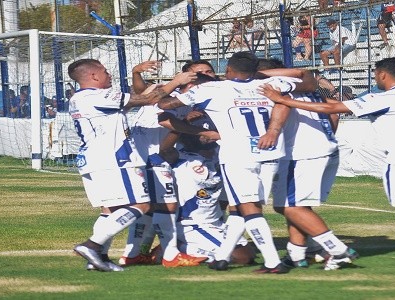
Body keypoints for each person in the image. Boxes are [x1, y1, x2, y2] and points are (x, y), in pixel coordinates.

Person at [261, 57, 395, 272]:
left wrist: (285, 101)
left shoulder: (386, 98)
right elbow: (335, 106)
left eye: (375, 74)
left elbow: (333, 109)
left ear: (382, 75)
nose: (374, 78)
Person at [157, 51, 317, 274]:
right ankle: (222, 257)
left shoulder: (212, 89)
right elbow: (309, 79)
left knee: (249, 210)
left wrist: (176, 84)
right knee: (239, 209)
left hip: (238, 156)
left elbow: (165, 105)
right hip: (270, 153)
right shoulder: (271, 83)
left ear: (229, 70)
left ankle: (272, 261)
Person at [66, 58, 180, 272]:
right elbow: (148, 99)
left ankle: (98, 258)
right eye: (105, 71)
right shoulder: (98, 95)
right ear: (93, 76)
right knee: (141, 205)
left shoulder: (78, 99)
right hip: (115, 160)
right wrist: (178, 80)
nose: (109, 74)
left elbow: (124, 109)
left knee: (111, 210)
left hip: (94, 159)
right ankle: (92, 245)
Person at [257, 59, 359, 271]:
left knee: (287, 206)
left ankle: (338, 250)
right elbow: (333, 111)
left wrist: (273, 131)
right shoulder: (305, 85)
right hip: (325, 149)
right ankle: (297, 254)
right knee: (296, 206)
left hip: (304, 153)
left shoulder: (276, 83)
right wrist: (325, 137)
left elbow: (281, 104)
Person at [120, 61, 213, 268]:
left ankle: (132, 253)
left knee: (151, 208)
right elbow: (152, 100)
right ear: (186, 80)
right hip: (149, 155)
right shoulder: (164, 93)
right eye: (197, 77)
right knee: (166, 204)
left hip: (152, 156)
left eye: (208, 73)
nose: (203, 80)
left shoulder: (195, 102)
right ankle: (170, 256)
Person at [157, 112, 256, 266]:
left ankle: (182, 247)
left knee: (249, 254)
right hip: (192, 224)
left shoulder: (221, 154)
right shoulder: (180, 157)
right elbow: (164, 149)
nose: (204, 137)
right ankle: (177, 248)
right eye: (199, 132)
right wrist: (182, 124)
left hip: (216, 223)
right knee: (242, 258)